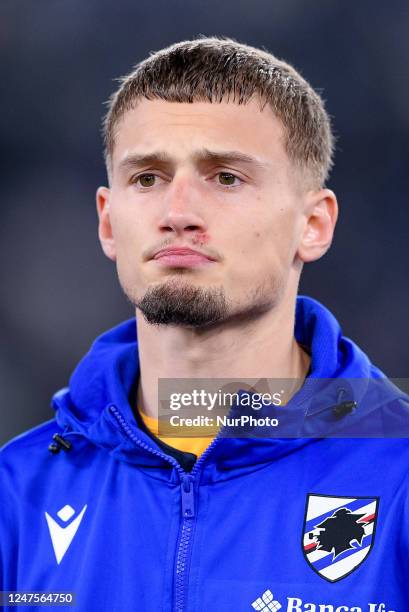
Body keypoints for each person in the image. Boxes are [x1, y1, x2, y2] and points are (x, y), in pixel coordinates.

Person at [1, 37, 408, 612]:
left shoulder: (398, 476)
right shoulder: (16, 490)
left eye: (226, 177)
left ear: (313, 225)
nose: (178, 214)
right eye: (147, 178)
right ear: (108, 222)